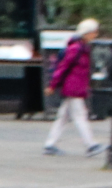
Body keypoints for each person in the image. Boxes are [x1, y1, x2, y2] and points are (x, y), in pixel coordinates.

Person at [43, 18, 101, 157]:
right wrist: (53, 84)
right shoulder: (77, 48)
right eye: (94, 32)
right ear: (87, 33)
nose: (95, 35)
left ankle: (50, 144)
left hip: (74, 86)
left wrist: (54, 84)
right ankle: (90, 144)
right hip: (73, 87)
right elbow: (63, 67)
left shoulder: (80, 47)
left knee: (63, 116)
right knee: (80, 116)